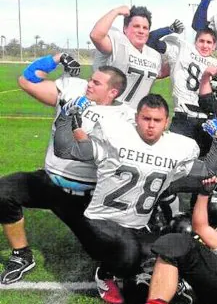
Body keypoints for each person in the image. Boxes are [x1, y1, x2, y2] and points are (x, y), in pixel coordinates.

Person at [52, 93, 217, 304]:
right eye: (146, 118)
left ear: (166, 122)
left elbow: (208, 169)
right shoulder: (115, 135)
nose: (151, 125)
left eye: (157, 120)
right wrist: (65, 116)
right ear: (137, 118)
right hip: (100, 221)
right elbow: (65, 149)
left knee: (164, 252)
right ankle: (104, 273)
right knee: (129, 257)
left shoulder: (177, 147)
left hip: (136, 225)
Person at [0, 54, 132, 284]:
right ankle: (22, 255)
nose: (89, 83)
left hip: (85, 197)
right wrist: (55, 58)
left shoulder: (124, 117)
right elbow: (26, 79)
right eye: (91, 79)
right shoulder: (74, 90)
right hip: (49, 181)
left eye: (97, 83)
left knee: (112, 255)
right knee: (3, 191)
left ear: (113, 92)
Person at [146, 26, 217, 156]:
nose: (204, 45)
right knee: (172, 159)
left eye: (209, 42)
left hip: (205, 120)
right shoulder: (181, 51)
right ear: (195, 42)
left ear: (214, 46)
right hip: (183, 116)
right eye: (201, 41)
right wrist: (169, 29)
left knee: (201, 166)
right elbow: (151, 40)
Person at [90, 5, 162, 109]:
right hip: (106, 112)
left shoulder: (154, 55)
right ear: (125, 28)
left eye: (145, 28)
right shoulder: (118, 43)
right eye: (136, 26)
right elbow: (95, 35)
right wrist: (115, 11)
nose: (141, 31)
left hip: (134, 116)